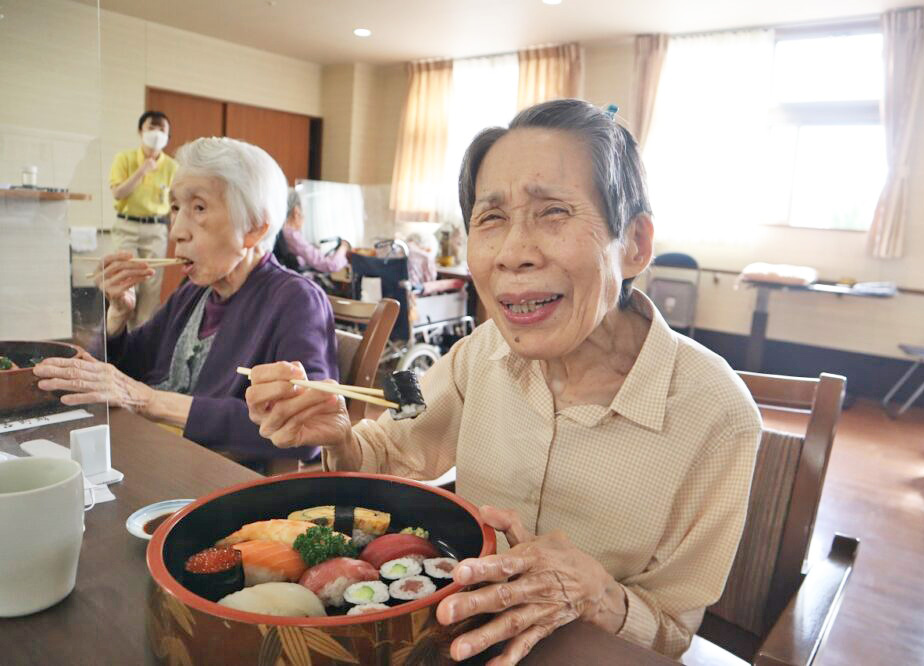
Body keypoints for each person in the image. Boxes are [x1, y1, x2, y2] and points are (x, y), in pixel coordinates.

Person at [244, 99, 761, 661]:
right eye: (491, 219)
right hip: (461, 636)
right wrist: (339, 434)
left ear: (633, 243)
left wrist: (597, 594)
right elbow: (393, 444)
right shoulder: (476, 353)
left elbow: (672, 631)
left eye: (554, 212)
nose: (513, 253)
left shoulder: (719, 416)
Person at [35, 137, 339, 470]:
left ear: (253, 229)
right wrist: (117, 318)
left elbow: (306, 428)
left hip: (209, 479)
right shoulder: (195, 291)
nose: (176, 231)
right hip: (155, 455)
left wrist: (150, 400)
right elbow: (124, 374)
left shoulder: (296, 300)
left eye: (199, 208)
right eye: (176, 208)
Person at [108, 110, 178, 327]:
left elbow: (176, 203)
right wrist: (142, 170)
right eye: (151, 127)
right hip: (127, 225)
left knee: (151, 288)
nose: (156, 133)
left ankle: (141, 341)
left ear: (168, 135)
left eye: (162, 129)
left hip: (156, 229)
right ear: (141, 131)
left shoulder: (172, 166)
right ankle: (120, 338)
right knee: (128, 284)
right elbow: (118, 193)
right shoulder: (125, 158)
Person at [274, 188, 350, 274]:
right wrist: (344, 247)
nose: (304, 216)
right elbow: (330, 265)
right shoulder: (292, 235)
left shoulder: (282, 232)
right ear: (296, 211)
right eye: (304, 210)